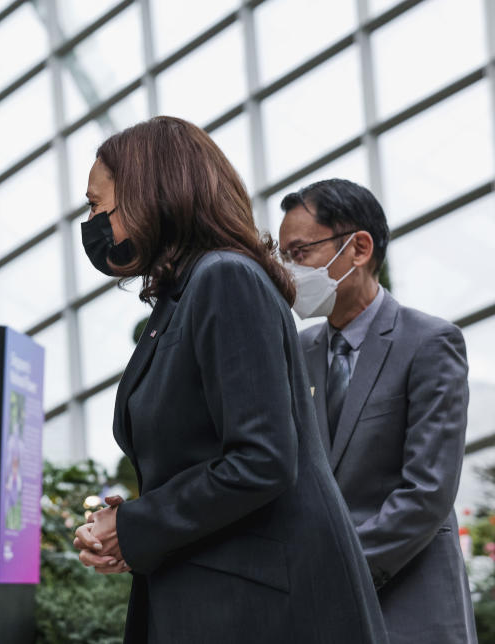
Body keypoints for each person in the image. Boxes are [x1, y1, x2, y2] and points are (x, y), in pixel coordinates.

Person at [71, 116, 388, 644]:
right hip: (225, 597)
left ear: (151, 193)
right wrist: (133, 522)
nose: (93, 221)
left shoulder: (224, 278)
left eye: (97, 203)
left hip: (257, 609)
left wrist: (136, 529)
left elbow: (261, 460)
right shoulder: (188, 294)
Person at [277, 179, 476, 644]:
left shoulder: (429, 343)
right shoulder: (296, 352)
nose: (288, 272)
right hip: (319, 614)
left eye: (300, 252)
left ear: (359, 248)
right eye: (284, 257)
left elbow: (427, 491)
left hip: (412, 603)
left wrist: (334, 574)